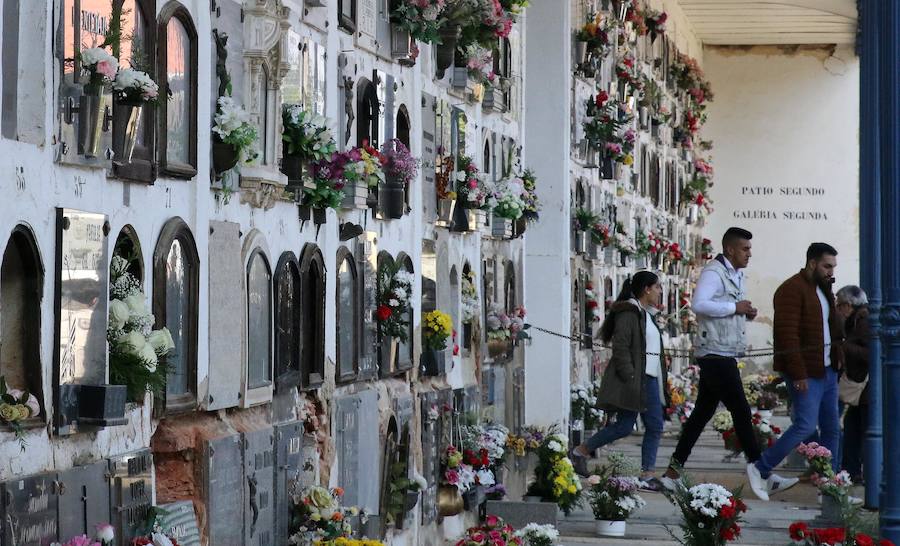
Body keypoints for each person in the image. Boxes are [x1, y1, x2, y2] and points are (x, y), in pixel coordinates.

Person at [661, 227, 798, 499]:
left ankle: (672, 474)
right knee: (741, 411)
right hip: (715, 353)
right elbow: (699, 304)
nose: (749, 254)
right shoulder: (714, 272)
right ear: (731, 249)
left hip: (724, 350)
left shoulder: (736, 274)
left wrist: (742, 313)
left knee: (700, 416)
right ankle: (762, 470)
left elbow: (725, 306)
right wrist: (734, 309)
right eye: (745, 249)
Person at [747, 243, 844, 501]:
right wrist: (798, 374)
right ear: (812, 263)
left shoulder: (824, 290)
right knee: (804, 425)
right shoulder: (791, 289)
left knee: (832, 429)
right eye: (826, 266)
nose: (831, 271)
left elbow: (830, 330)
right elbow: (787, 335)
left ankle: (828, 486)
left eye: (833, 267)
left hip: (827, 371)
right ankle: (761, 467)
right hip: (806, 372)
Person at [570, 271, 670, 488]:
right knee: (631, 426)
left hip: (649, 378)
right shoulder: (629, 312)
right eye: (658, 287)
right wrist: (629, 375)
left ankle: (646, 473)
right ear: (647, 289)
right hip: (637, 378)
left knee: (650, 425)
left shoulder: (645, 313)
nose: (661, 291)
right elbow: (621, 346)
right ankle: (581, 452)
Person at [836, 285, 870, 483]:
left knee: (862, 430)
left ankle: (860, 472)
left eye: (839, 306)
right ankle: (850, 471)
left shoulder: (863, 321)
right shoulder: (857, 319)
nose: (838, 310)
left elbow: (872, 354)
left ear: (848, 305)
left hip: (867, 387)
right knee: (852, 428)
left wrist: (846, 347)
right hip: (862, 387)